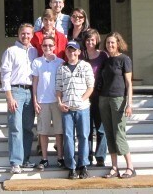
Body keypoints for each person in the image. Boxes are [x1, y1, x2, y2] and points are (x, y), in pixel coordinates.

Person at [0, 23, 38, 174]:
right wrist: (9, 97)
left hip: (30, 92)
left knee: (27, 128)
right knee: (15, 127)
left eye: (28, 34)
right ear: (18, 34)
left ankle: (26, 159)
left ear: (32, 35)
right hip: (16, 91)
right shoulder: (11, 51)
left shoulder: (34, 52)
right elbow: (4, 75)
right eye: (23, 33)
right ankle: (15, 162)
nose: (26, 36)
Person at [98, 32, 136, 179]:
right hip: (104, 99)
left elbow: (128, 83)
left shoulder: (124, 59)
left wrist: (129, 104)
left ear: (118, 43)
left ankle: (130, 167)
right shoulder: (106, 61)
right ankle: (114, 167)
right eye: (108, 43)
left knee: (119, 133)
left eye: (113, 43)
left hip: (118, 99)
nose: (110, 45)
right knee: (108, 132)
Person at [56, 40, 94, 180]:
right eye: (69, 50)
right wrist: (60, 103)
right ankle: (71, 166)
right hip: (66, 108)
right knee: (68, 137)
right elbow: (58, 88)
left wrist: (82, 99)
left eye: (74, 50)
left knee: (83, 136)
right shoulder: (61, 68)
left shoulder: (85, 66)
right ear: (66, 51)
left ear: (78, 52)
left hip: (82, 108)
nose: (71, 52)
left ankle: (83, 165)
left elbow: (90, 87)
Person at [31, 36, 65, 171]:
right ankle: (44, 159)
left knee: (59, 131)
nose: (48, 48)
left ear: (55, 46)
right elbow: (34, 83)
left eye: (50, 45)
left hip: (57, 101)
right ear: (41, 47)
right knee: (43, 132)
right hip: (42, 101)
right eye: (45, 45)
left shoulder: (61, 62)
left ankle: (60, 158)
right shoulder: (37, 62)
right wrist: (35, 101)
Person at [83, 28, 108, 167]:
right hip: (85, 96)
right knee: (86, 128)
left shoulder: (103, 56)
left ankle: (100, 157)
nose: (90, 42)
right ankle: (87, 156)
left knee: (100, 128)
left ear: (97, 40)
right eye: (87, 40)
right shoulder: (81, 55)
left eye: (92, 39)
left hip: (100, 95)